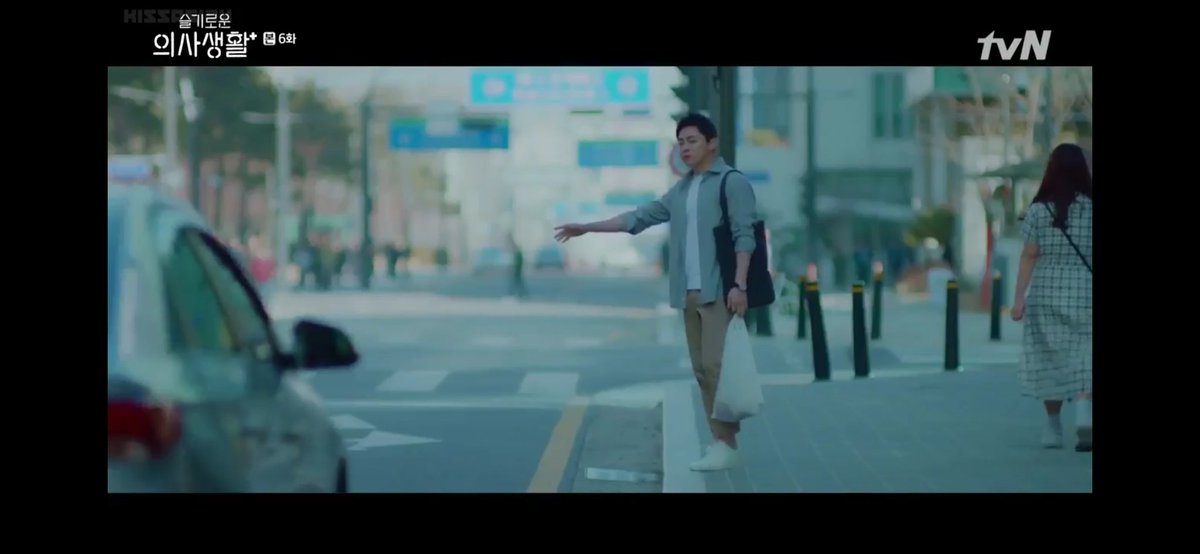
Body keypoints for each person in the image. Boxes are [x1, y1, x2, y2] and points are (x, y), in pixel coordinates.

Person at [554, 113, 758, 471]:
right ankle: (721, 441)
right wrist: (588, 227)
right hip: (689, 293)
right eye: (681, 143)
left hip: (720, 291)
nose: (685, 148)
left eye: (692, 141)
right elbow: (638, 218)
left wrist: (739, 285)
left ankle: (725, 442)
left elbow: (745, 235)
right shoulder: (681, 190)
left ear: (712, 143)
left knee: (716, 367)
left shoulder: (731, 182)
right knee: (702, 370)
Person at [1011, 143, 1093, 452]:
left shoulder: (1038, 210)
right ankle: (1084, 412)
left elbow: (1029, 256)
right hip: (1085, 290)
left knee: (1049, 358)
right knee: (1086, 353)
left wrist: (1019, 299)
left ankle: (1053, 426)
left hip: (1046, 291)